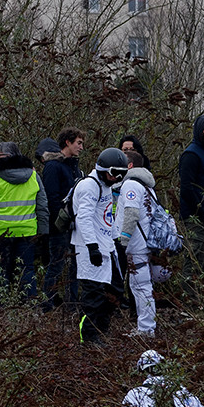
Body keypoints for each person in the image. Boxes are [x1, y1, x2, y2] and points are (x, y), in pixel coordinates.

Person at [0, 142, 49, 303]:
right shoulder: (33, 175)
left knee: (1, 269)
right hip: (27, 231)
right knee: (27, 269)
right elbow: (42, 206)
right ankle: (29, 304)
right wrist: (44, 231)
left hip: (2, 232)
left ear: (6, 157)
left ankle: (1, 302)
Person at [73, 147, 128, 342]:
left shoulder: (106, 186)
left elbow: (107, 216)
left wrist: (116, 240)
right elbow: (84, 218)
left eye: (121, 175)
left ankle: (101, 329)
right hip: (89, 248)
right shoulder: (89, 186)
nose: (116, 178)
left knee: (114, 291)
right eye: (114, 173)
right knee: (93, 295)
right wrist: (91, 247)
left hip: (107, 246)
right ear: (102, 169)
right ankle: (87, 337)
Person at [116, 150, 160, 337]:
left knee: (140, 287)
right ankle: (147, 325)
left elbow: (132, 214)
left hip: (136, 246)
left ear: (130, 166)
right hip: (146, 244)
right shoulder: (148, 186)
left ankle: (146, 328)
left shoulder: (131, 185)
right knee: (143, 285)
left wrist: (123, 240)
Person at [40, 128, 84, 309]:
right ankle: (47, 302)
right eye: (78, 143)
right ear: (67, 142)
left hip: (76, 225)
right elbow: (51, 197)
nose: (81, 147)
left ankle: (72, 302)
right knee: (56, 264)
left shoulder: (74, 167)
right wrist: (60, 221)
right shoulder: (53, 167)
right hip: (59, 227)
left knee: (76, 264)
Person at [177, 114, 204, 274]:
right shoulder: (191, 155)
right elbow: (187, 188)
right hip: (196, 219)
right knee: (194, 264)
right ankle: (188, 298)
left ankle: (200, 298)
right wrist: (201, 214)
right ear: (200, 132)